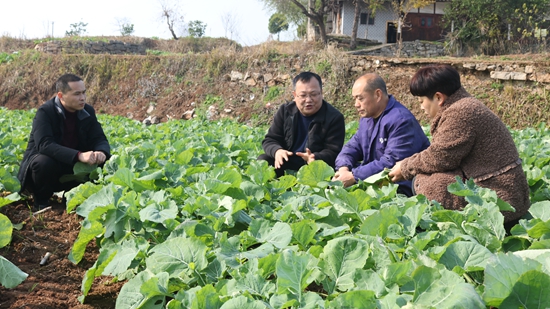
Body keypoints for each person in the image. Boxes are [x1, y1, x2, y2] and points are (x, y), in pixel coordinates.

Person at [388, 64, 530, 224]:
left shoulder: (460, 114)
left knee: (426, 183)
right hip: (507, 190)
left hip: (500, 197)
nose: (421, 107)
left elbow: (440, 157)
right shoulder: (465, 105)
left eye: (421, 101)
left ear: (439, 98)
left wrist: (406, 167)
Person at [17, 74, 111, 210]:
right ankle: (41, 201)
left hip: (72, 169)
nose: (82, 98)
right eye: (77, 94)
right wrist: (79, 155)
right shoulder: (45, 112)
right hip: (48, 172)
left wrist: (101, 152)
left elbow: (99, 138)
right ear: (61, 96)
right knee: (44, 162)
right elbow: (44, 144)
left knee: (109, 160)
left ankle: (74, 197)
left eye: (84, 92)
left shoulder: (87, 111)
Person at [333, 73, 429, 196]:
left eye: (360, 98)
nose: (356, 104)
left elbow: (390, 163)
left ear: (377, 95)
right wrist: (343, 168)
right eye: (354, 99)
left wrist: (353, 176)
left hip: (399, 189)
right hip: (373, 183)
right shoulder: (366, 119)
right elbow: (351, 147)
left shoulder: (401, 120)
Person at [258, 71, 346, 177]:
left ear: (321, 93)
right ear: (295, 95)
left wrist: (315, 157)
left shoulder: (334, 117)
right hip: (286, 163)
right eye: (303, 95)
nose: (308, 100)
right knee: (263, 161)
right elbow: (270, 139)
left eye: (313, 94)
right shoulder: (285, 111)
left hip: (313, 167)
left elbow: (333, 151)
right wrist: (277, 151)